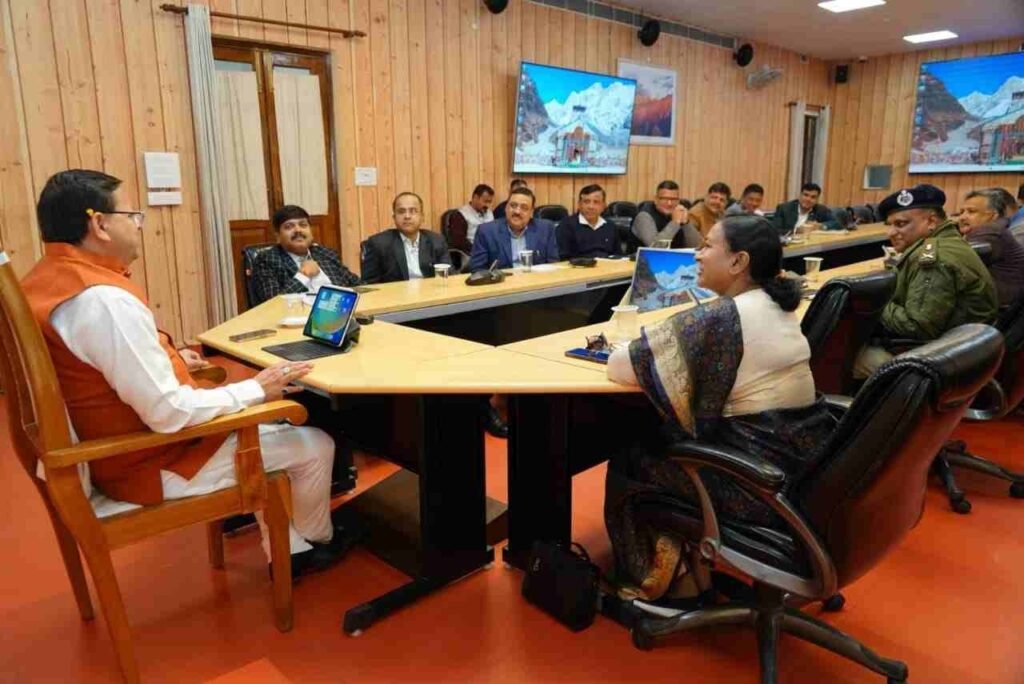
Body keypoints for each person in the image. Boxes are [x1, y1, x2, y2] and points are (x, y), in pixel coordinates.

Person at [21, 170, 359, 578]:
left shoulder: (45, 280)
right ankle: (310, 545)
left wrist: (172, 360)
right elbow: (170, 413)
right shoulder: (103, 301)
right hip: (149, 461)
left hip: (114, 450)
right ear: (100, 225)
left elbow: (98, 365)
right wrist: (256, 389)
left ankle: (290, 545)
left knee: (262, 425)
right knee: (313, 442)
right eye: (132, 215)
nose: (138, 226)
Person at [604, 214, 833, 602]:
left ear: (738, 261)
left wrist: (628, 348)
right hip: (800, 470)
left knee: (632, 455)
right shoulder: (776, 304)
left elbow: (620, 366)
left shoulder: (724, 316)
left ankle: (667, 585)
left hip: (755, 484)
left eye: (707, 246)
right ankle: (687, 568)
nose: (697, 254)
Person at [853, 184, 997, 378]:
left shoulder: (934, 258)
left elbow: (917, 326)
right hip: (962, 352)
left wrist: (874, 300)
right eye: (890, 225)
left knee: (836, 356)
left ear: (931, 221)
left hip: (936, 362)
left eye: (901, 224)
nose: (891, 233)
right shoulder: (949, 241)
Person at [250, 205, 360, 305]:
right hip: (298, 317)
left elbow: (359, 285)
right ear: (278, 236)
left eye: (303, 225)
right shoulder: (267, 260)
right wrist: (303, 276)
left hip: (341, 311)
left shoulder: (325, 253)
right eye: (289, 227)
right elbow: (273, 303)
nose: (298, 230)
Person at [361, 192, 452, 283]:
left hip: (431, 291)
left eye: (413, 211)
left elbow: (450, 275)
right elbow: (369, 285)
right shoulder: (378, 244)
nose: (407, 216)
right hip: (395, 292)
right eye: (401, 211)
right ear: (394, 217)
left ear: (422, 217)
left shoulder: (436, 241)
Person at [957, 190, 1024, 307]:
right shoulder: (992, 229)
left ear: (993, 215)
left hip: (999, 311)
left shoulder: (991, 232)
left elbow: (955, 262)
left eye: (971, 211)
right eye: (961, 212)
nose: (962, 217)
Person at [470, 187, 559, 270]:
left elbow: (553, 265)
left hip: (536, 280)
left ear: (531, 212)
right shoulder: (486, 231)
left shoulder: (546, 229)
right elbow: (477, 269)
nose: (517, 211)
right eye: (513, 205)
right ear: (506, 208)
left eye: (524, 208)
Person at [631, 180, 700, 248]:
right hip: (643, 255)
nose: (669, 203)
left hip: (675, 255)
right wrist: (675, 223)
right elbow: (655, 247)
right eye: (664, 199)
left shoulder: (679, 213)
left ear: (679, 201)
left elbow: (698, 246)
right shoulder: (644, 217)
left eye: (673, 199)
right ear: (656, 200)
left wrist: (686, 223)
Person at [555, 184, 618, 259]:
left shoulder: (610, 226)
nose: (591, 206)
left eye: (596, 202)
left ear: (603, 206)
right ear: (579, 204)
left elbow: (618, 256)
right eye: (586, 202)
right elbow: (563, 258)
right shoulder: (566, 226)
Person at [771, 183, 839, 235]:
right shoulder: (784, 208)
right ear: (800, 195)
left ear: (817, 199)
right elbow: (775, 231)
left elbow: (837, 224)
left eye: (813, 197)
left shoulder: (821, 209)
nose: (808, 199)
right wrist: (796, 231)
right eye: (806, 195)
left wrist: (820, 226)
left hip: (810, 245)